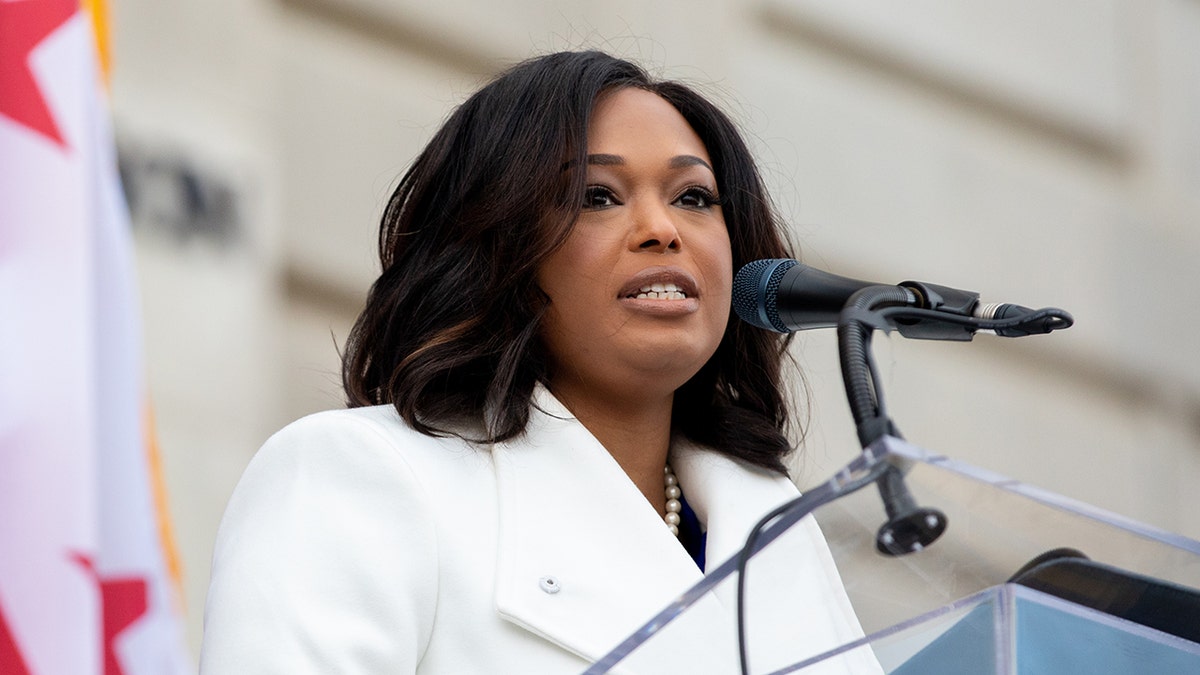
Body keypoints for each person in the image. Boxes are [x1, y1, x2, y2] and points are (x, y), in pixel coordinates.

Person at [199, 50, 877, 674]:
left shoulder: (777, 531)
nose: (662, 229)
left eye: (693, 197)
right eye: (597, 196)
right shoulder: (363, 478)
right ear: (496, 248)